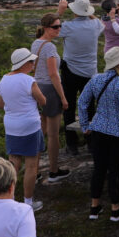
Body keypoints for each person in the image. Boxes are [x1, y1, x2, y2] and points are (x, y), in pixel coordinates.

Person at [78, 47, 119, 222]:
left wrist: (85, 125)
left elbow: (82, 102)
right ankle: (115, 210)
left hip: (98, 130)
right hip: (117, 133)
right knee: (115, 171)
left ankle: (94, 207)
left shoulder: (96, 79)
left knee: (99, 169)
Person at [0, 48, 48, 211]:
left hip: (11, 126)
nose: (33, 64)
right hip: (30, 126)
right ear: (24, 63)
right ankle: (28, 203)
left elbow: (1, 104)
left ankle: (9, 200)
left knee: (13, 163)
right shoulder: (28, 81)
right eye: (31, 61)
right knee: (31, 166)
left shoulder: (4, 79)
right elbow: (42, 101)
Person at [56, 0, 104, 156]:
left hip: (70, 71)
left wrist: (59, 12)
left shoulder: (67, 27)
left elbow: (49, 30)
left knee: (69, 106)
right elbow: (101, 23)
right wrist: (88, 13)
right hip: (91, 72)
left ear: (73, 10)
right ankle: (91, 142)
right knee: (89, 107)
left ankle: (72, 144)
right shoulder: (95, 25)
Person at [31, 13, 71, 183]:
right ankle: (54, 171)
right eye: (55, 27)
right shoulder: (49, 48)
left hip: (37, 88)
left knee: (41, 131)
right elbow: (54, 74)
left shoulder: (36, 43)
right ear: (47, 28)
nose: (59, 29)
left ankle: (35, 170)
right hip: (50, 90)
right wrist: (63, 97)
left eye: (60, 26)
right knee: (53, 135)